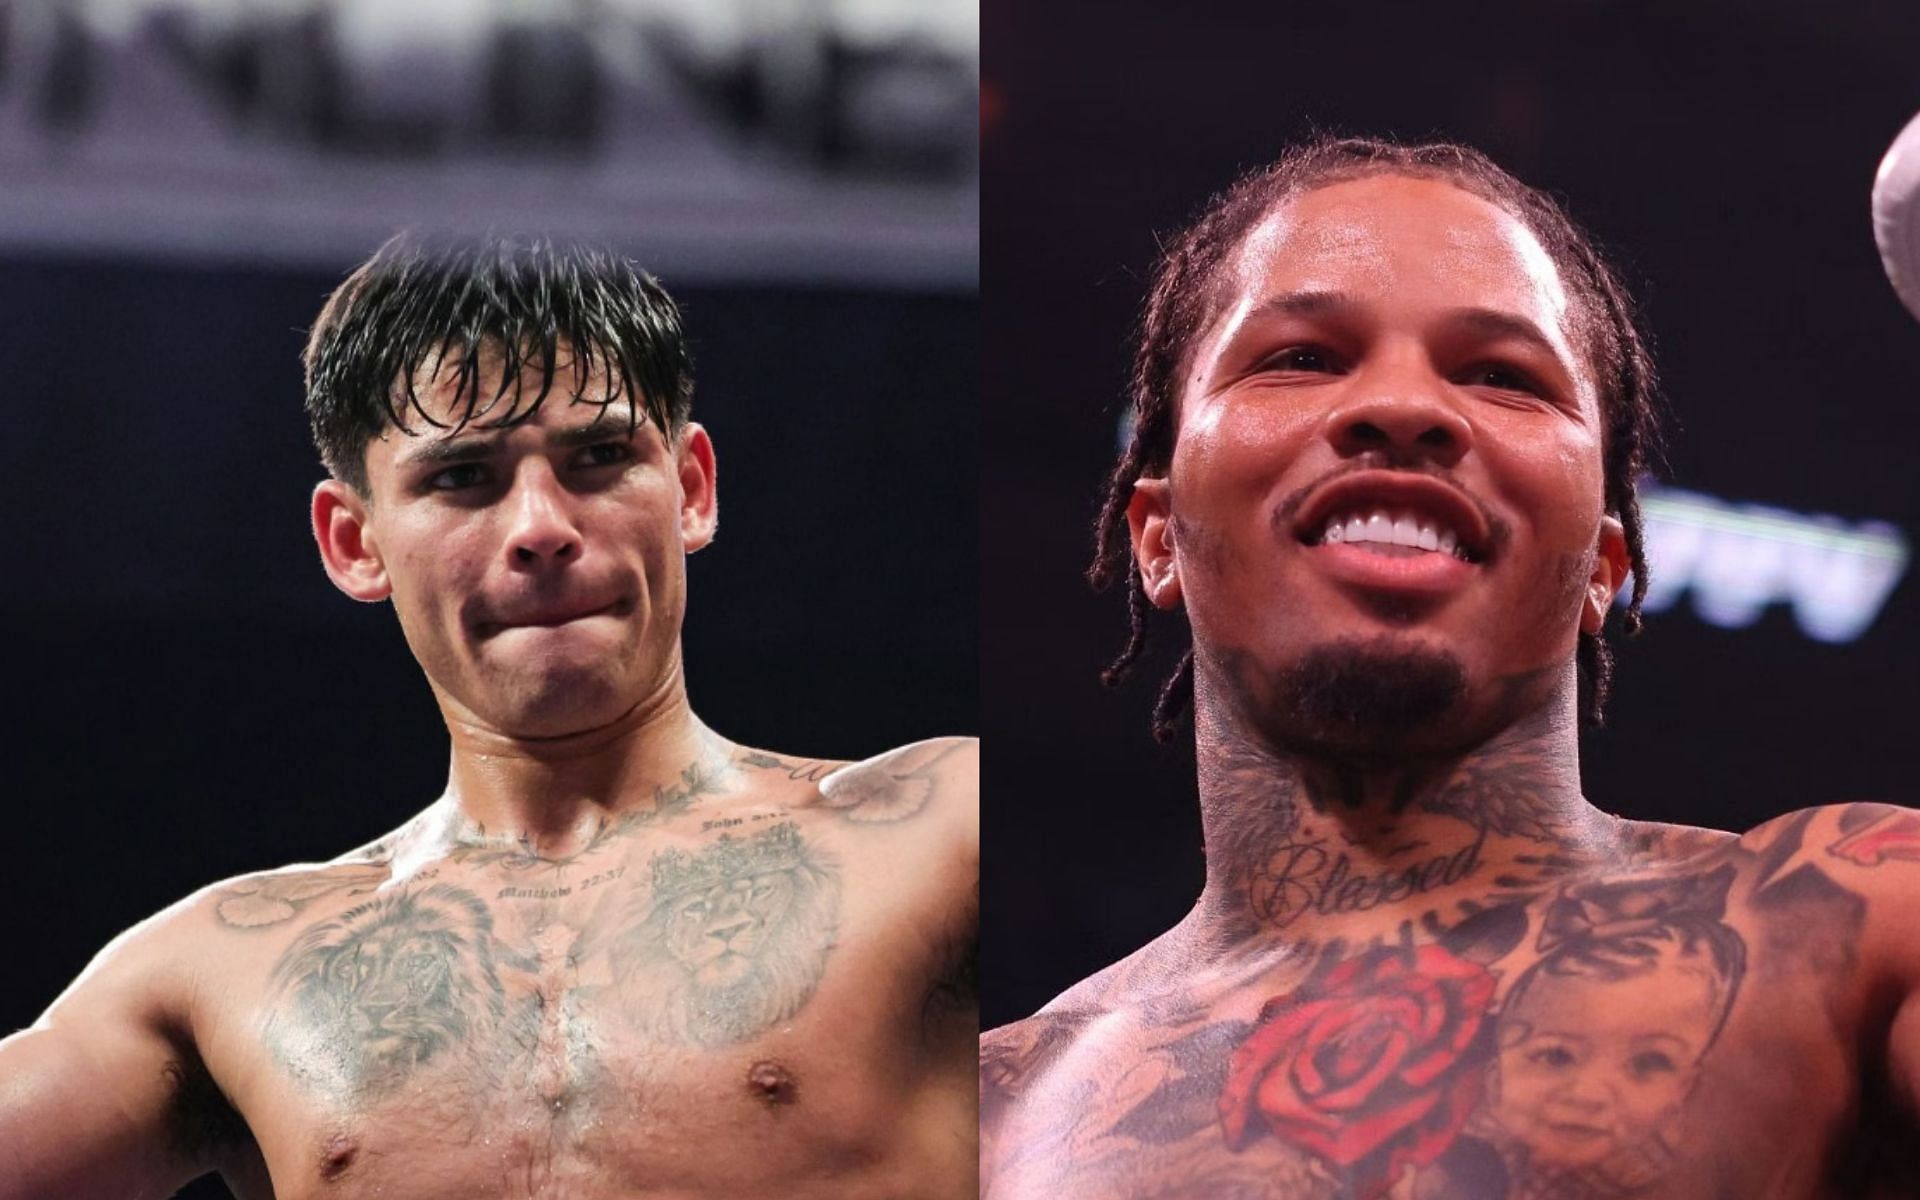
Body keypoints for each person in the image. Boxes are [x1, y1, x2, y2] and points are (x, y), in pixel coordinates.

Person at [979, 137, 1920, 1199]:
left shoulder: (1847, 925)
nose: (1405, 408)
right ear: (1156, 537)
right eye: (1301, 357)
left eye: (1503, 377)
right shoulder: (997, 1106)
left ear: (1604, 569)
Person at [0, 236, 978, 1199]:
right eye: (462, 477)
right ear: (355, 542)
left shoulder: (935, 834)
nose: (541, 528)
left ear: (690, 487)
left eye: (598, 456)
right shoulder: (218, 969)